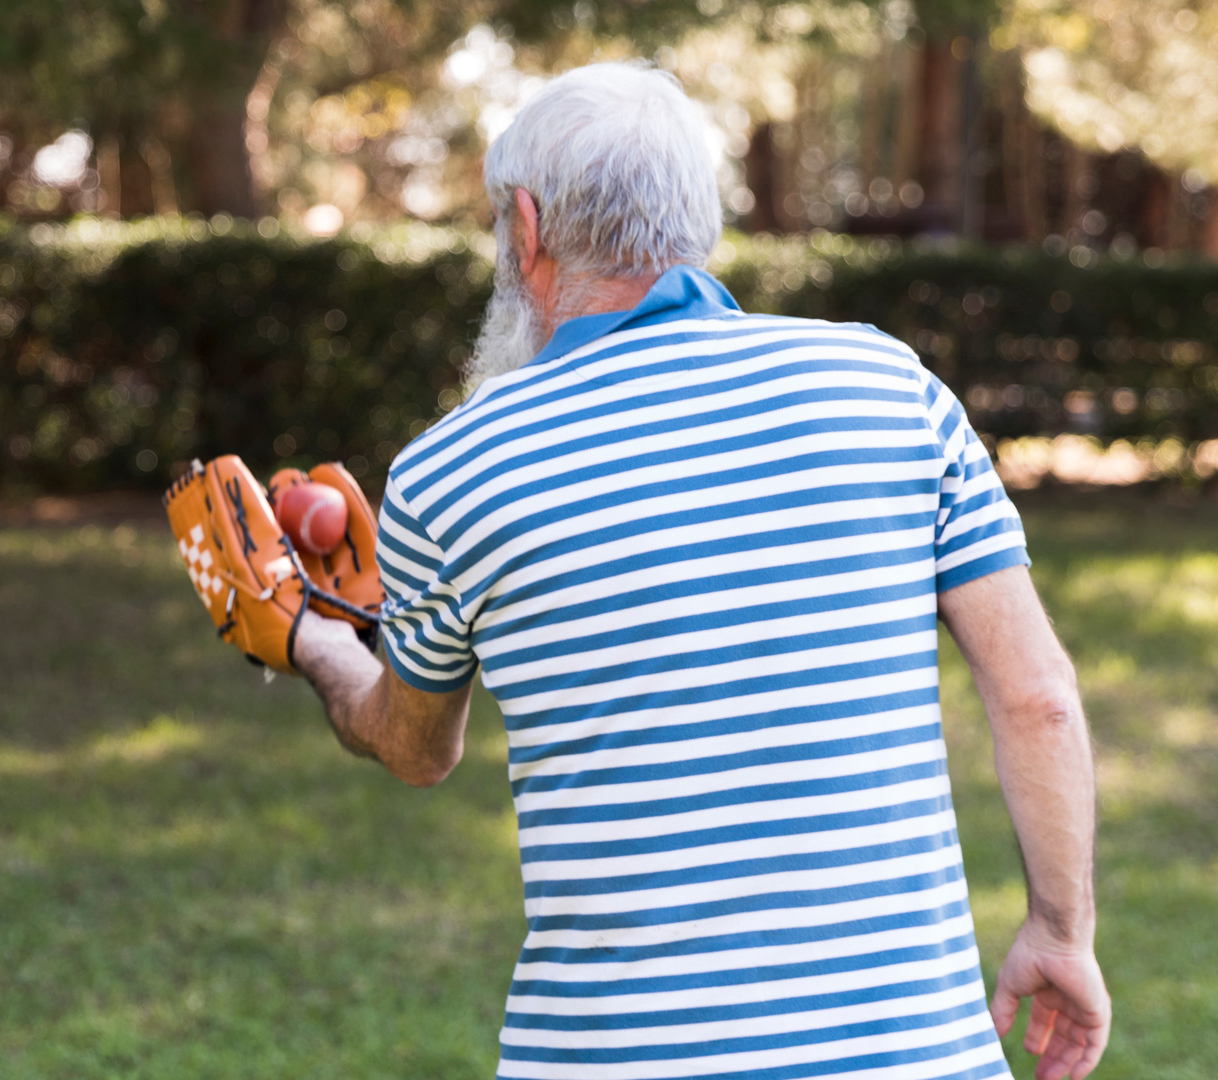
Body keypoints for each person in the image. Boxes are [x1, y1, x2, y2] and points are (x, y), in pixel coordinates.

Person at [289, 64, 1111, 1079]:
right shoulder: (889, 388)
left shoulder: (451, 471)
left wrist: (317, 639)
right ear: (698, 222)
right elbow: (1039, 701)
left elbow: (415, 749)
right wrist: (1060, 931)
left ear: (527, 227)